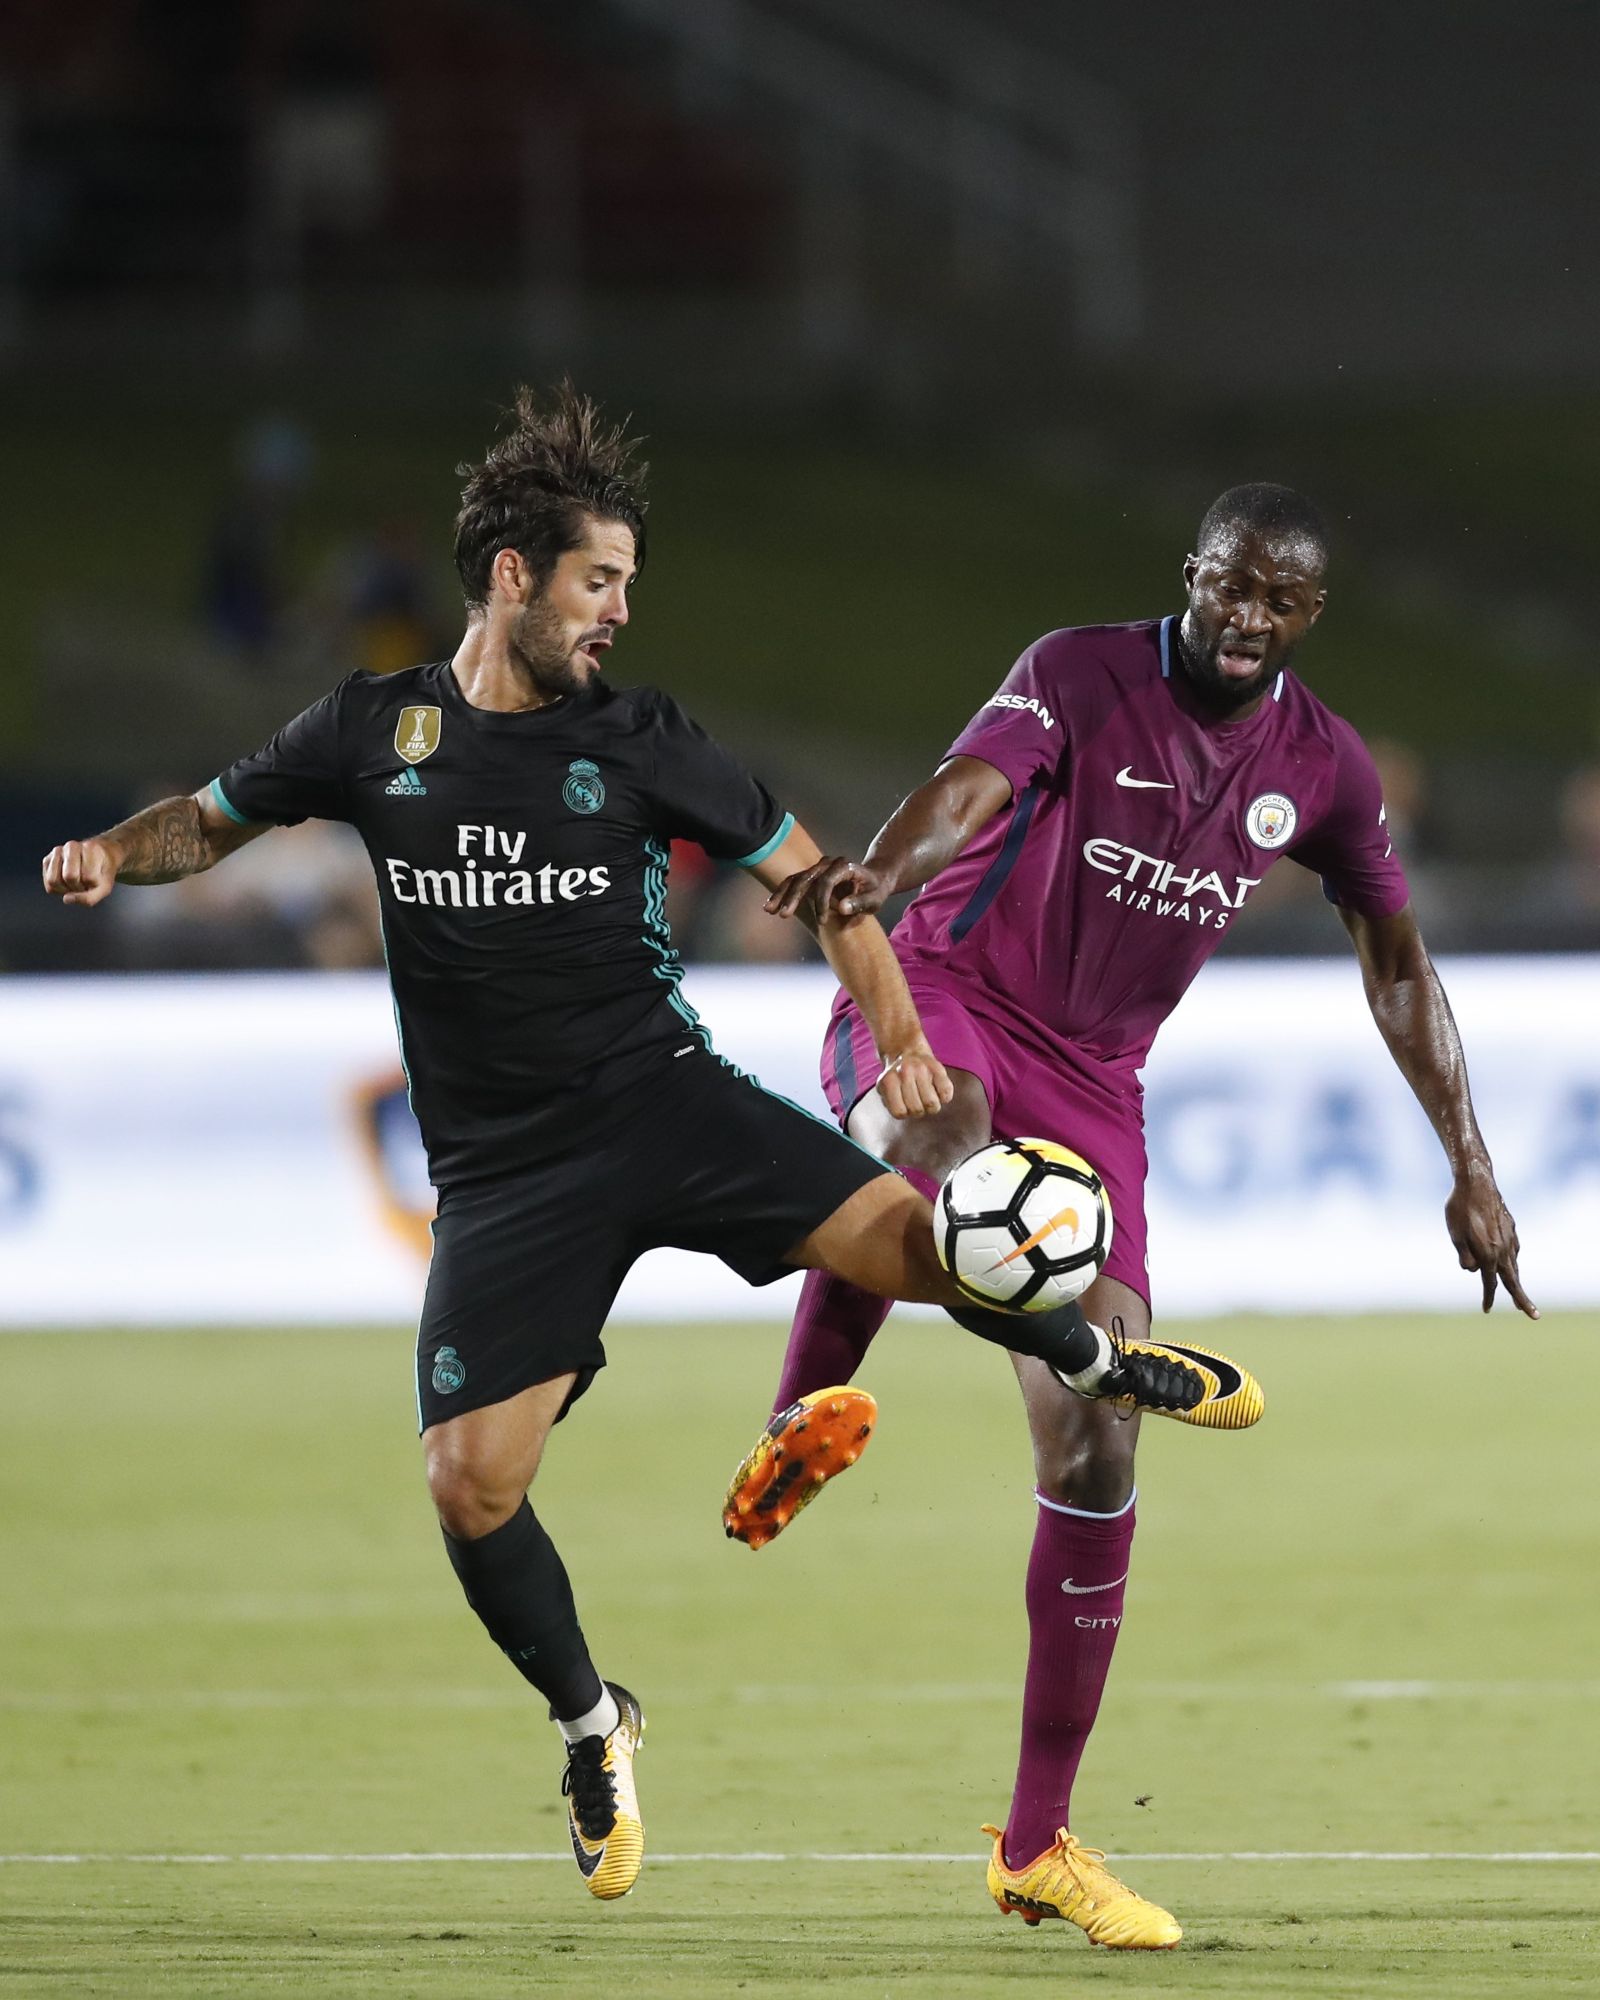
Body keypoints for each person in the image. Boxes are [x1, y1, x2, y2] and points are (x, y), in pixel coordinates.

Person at [40, 384, 1238, 1908]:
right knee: (469, 1482)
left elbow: (827, 891)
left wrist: (910, 1041)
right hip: (506, 1176)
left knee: (943, 1252)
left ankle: (1094, 1357)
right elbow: (209, 821)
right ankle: (596, 1722)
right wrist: (111, 853)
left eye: (627, 588)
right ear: (511, 576)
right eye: (596, 582)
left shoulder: (646, 739)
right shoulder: (372, 728)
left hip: (669, 1106)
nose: (616, 614)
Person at [724, 482, 1537, 1953]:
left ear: (1308, 615)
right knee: (953, 1166)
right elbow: (968, 790)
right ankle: (809, 1404)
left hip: (1098, 1084)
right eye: (1230, 584)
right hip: (946, 997)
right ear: (1195, 574)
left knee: (1096, 1446)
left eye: (1279, 599)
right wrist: (878, 877)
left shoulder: (1324, 768)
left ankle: (1037, 1846)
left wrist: (1470, 1164)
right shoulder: (1079, 670)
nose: (1247, 615)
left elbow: (1400, 967)